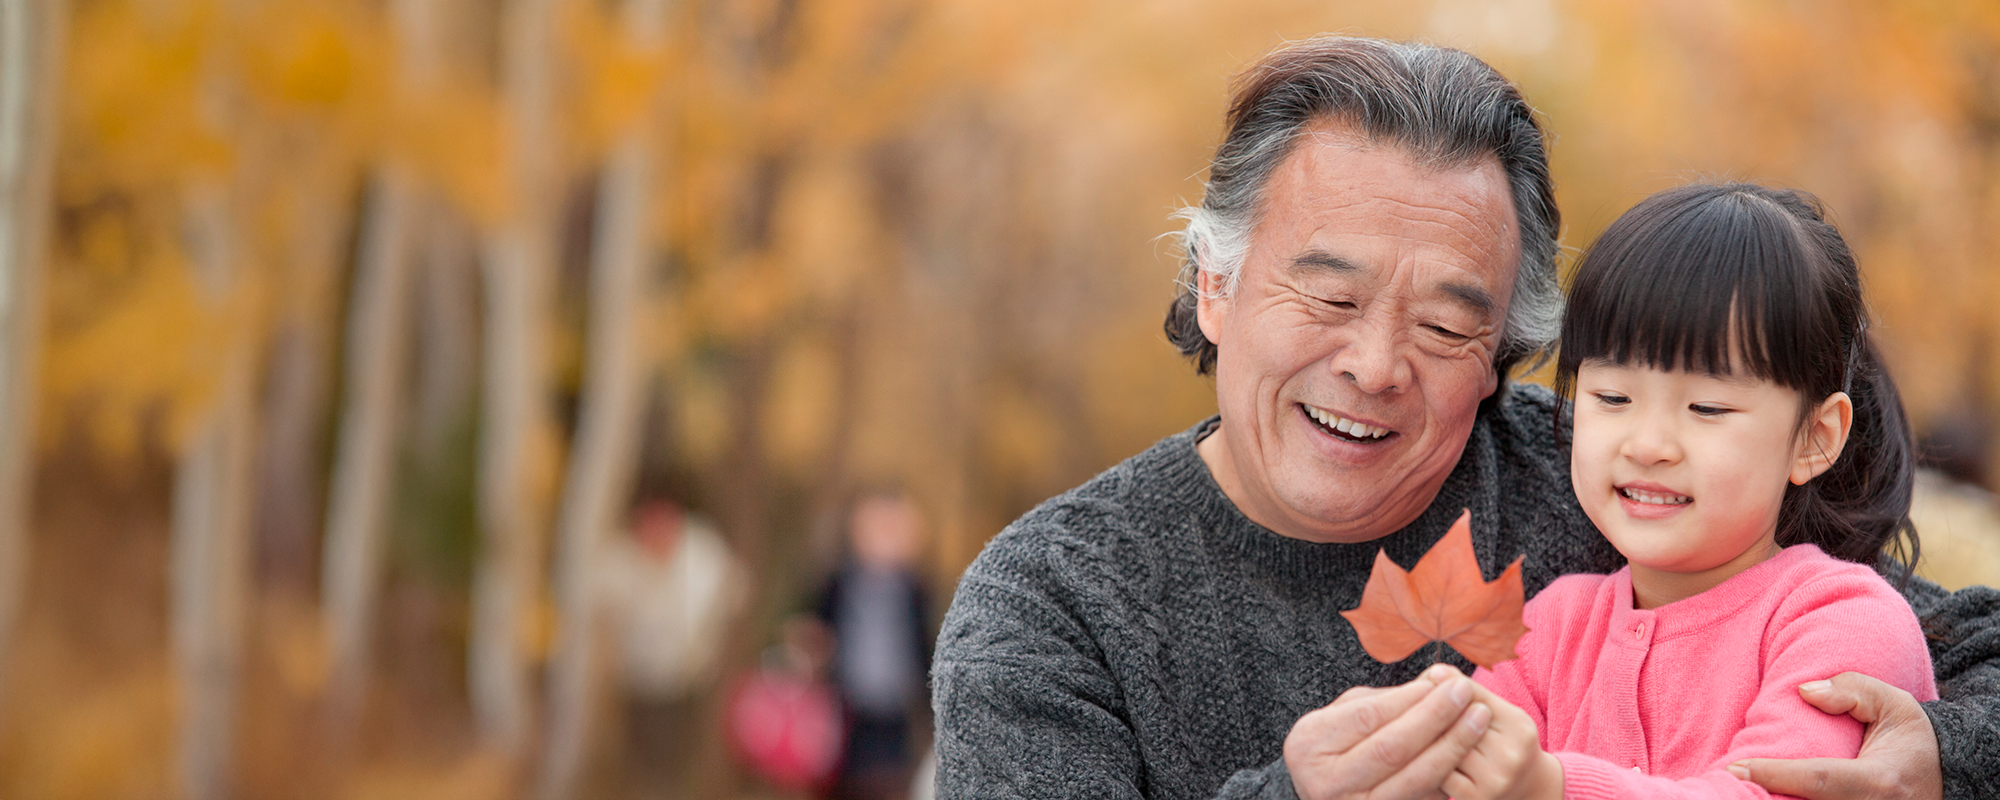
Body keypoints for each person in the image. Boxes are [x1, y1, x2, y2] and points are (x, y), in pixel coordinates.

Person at [930, 35, 2000, 800]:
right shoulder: (1052, 601)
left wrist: (1937, 756)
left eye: (1445, 326)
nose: (1373, 364)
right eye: (1330, 295)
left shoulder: (1608, 477)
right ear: (1214, 282)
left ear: (1501, 355)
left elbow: (1951, 648)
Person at [1446, 182, 1935, 800]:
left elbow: (1771, 790)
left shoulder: (1840, 620)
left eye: (1706, 406)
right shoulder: (1549, 629)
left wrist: (1554, 786)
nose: (1648, 444)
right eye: (1612, 398)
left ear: (1814, 436)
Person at [816, 491, 935, 800]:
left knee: (886, 780)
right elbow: (816, 629)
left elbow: (925, 648)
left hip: (896, 707)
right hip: (842, 705)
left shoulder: (917, 591)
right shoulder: (836, 583)